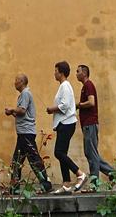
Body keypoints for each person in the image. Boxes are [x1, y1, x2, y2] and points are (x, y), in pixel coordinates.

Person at [5, 73, 52, 194]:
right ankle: (14, 188)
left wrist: (11, 109)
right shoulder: (23, 94)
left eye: (16, 80)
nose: (14, 82)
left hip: (26, 133)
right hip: (23, 132)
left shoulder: (25, 93)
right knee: (17, 161)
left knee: (33, 159)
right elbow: (22, 113)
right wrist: (12, 113)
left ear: (22, 82)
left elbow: (22, 110)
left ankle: (46, 184)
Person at [45, 61, 87, 194]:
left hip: (67, 123)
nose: (54, 73)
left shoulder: (65, 86)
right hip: (64, 123)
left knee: (59, 152)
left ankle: (80, 173)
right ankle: (66, 184)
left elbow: (65, 105)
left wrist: (52, 109)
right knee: (62, 153)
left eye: (56, 70)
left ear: (61, 73)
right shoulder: (63, 86)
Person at [75, 65, 115, 190]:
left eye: (78, 71)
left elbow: (91, 102)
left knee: (91, 154)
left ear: (84, 73)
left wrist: (79, 105)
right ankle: (111, 172)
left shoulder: (88, 85)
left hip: (90, 124)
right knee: (91, 153)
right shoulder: (85, 86)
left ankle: (94, 184)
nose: (76, 74)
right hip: (88, 124)